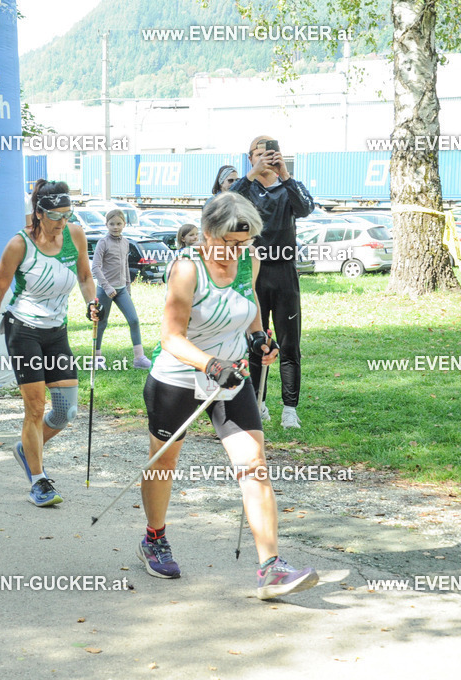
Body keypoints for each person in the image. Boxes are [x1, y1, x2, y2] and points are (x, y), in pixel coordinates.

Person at [138, 191, 317, 599]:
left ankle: (270, 567)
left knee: (253, 463)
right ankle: (153, 537)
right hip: (179, 379)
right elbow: (171, 338)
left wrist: (259, 340)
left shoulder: (247, 261)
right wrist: (209, 364)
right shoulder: (187, 269)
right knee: (164, 462)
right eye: (226, 244)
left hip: (231, 380)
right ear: (205, 234)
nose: (233, 253)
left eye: (242, 244)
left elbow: (250, 307)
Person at [0, 179, 100, 507]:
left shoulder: (74, 235)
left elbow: (86, 277)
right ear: (39, 212)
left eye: (68, 215)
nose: (63, 223)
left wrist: (92, 301)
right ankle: (38, 479)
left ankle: (27, 447)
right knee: (35, 408)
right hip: (24, 331)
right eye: (57, 216)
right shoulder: (19, 245)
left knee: (65, 411)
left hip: (56, 332)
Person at [230, 136, 313, 428]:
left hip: (284, 273)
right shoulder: (245, 189)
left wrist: (285, 174)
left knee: (290, 343)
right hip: (253, 272)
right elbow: (222, 205)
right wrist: (252, 173)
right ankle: (257, 403)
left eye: (272, 154)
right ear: (250, 156)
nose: (267, 159)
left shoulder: (288, 186)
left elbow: (305, 208)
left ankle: (290, 409)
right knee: (255, 341)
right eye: (260, 154)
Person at [91, 209, 150, 370]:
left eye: (118, 224)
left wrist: (128, 288)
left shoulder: (126, 242)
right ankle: (96, 358)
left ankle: (139, 358)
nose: (115, 227)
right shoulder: (103, 242)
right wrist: (107, 286)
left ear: (124, 224)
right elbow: (95, 267)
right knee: (101, 323)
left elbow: (125, 266)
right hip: (105, 290)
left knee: (134, 320)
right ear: (106, 224)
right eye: (112, 224)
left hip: (122, 289)